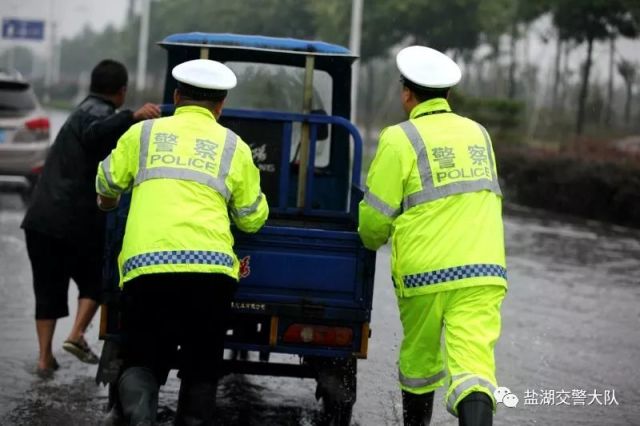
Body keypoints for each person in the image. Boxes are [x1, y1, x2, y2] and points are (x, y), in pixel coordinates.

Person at [95, 58, 268, 425]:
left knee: (141, 358)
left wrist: (108, 202)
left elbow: (106, 183)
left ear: (176, 96)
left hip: (147, 268)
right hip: (211, 274)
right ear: (221, 105)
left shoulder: (142, 134)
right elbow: (252, 219)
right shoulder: (234, 147)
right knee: (202, 367)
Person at [358, 45, 507, 426]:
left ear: (407, 94)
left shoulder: (398, 138)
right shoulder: (479, 134)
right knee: (474, 369)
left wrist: (370, 239)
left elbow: (375, 219)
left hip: (426, 273)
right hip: (484, 270)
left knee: (420, 364)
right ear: (448, 95)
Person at [21, 59, 160, 377]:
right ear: (122, 91)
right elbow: (96, 133)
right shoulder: (97, 114)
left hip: (40, 221)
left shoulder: (79, 111)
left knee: (47, 291)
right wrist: (132, 116)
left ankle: (44, 359)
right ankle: (76, 334)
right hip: (73, 222)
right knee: (100, 279)